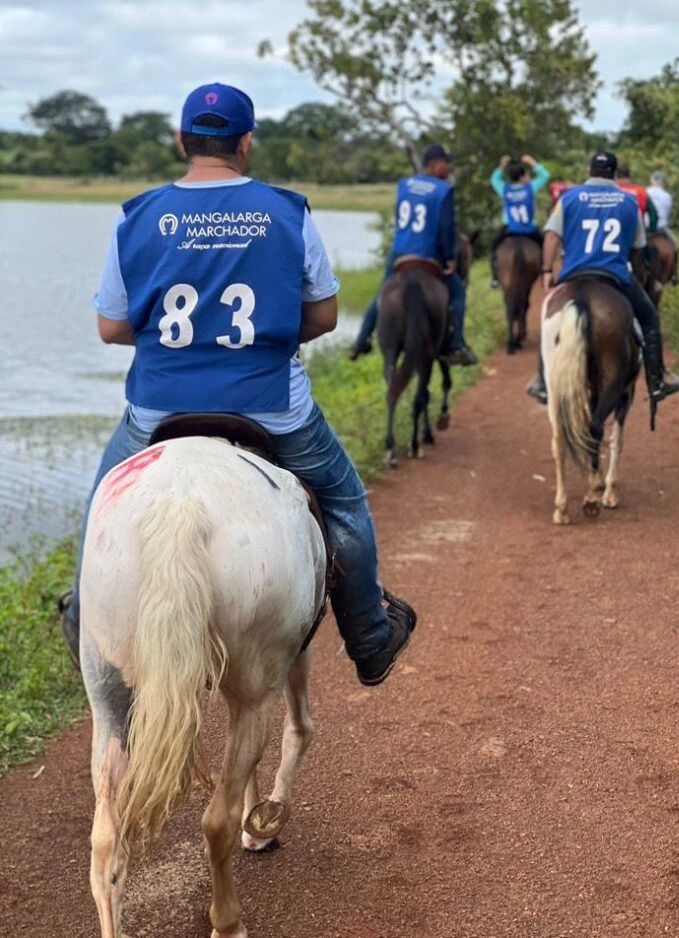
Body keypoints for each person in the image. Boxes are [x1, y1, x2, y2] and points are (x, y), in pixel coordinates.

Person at [58, 82, 416, 688]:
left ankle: (83, 628)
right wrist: (268, 334)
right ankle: (370, 638)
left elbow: (111, 326)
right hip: (271, 406)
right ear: (245, 144)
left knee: (100, 517)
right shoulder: (287, 210)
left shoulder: (137, 215)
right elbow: (326, 316)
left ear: (181, 140)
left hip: (157, 408)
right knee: (346, 505)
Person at [525, 150, 679, 406]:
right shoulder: (628, 201)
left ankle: (543, 382)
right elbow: (638, 247)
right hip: (614, 275)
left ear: (589, 171)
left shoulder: (569, 197)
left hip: (574, 275)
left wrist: (546, 271)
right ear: (613, 174)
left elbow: (552, 236)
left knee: (548, 319)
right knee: (650, 318)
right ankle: (657, 380)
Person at [348, 144, 478, 366]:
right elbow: (446, 229)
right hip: (427, 253)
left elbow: (401, 218)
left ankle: (361, 340)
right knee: (457, 294)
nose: (449, 167)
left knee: (383, 292)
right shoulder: (443, 190)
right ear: (436, 165)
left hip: (400, 251)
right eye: (447, 163)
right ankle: (457, 344)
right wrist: (449, 260)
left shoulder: (404, 184)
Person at [489, 154, 551, 288]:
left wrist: (502, 166)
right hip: (529, 230)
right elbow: (545, 175)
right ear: (522, 177)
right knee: (544, 246)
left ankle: (495, 277)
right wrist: (532, 162)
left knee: (495, 247)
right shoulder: (530, 188)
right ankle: (545, 271)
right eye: (527, 175)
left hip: (510, 229)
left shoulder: (504, 189)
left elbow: (494, 179)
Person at [647, 170, 679, 284]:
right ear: (662, 182)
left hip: (645, 229)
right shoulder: (667, 196)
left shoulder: (645, 192)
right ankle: (674, 274)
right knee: (675, 245)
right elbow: (666, 212)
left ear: (652, 180)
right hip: (661, 229)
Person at [616, 162, 659, 233]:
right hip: (638, 231)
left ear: (615, 175)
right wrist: (652, 230)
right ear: (629, 174)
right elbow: (653, 214)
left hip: (617, 231)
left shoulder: (612, 191)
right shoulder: (641, 191)